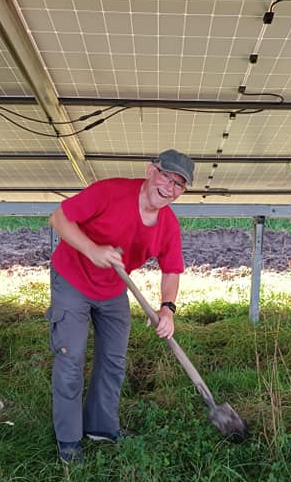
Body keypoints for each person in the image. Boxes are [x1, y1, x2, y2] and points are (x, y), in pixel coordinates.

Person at [46, 149, 194, 463]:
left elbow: (171, 269)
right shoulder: (110, 192)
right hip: (73, 277)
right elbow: (58, 217)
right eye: (167, 177)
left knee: (113, 361)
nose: (170, 188)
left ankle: (100, 427)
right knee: (70, 358)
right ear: (151, 171)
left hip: (114, 287)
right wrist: (91, 250)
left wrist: (167, 308)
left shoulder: (168, 225)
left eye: (179, 185)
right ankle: (69, 441)